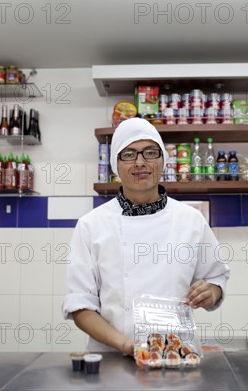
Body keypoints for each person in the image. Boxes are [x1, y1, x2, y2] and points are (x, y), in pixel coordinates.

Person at [62, 118, 230, 355]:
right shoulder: (91, 225)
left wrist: (210, 293)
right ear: (115, 165)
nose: (140, 162)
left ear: (163, 161)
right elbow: (80, 305)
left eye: (150, 152)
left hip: (177, 356)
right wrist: (125, 345)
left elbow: (216, 279)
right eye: (129, 154)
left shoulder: (190, 220)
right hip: (112, 360)